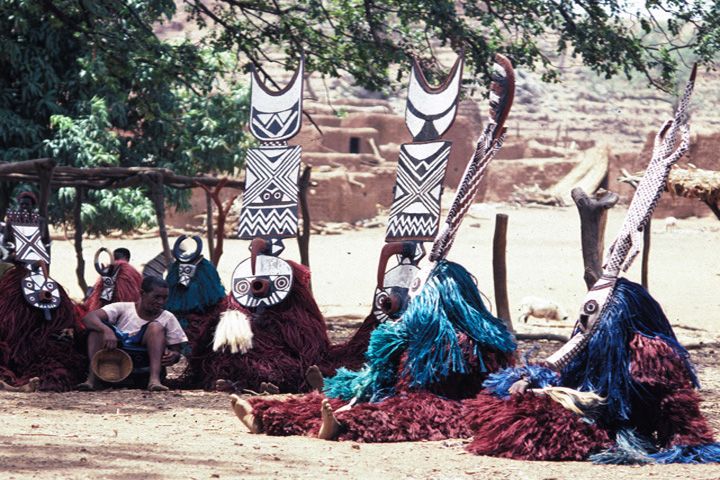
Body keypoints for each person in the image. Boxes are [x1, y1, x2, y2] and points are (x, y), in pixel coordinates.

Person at [78, 276, 187, 392]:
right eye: (156, 297)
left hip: (143, 369)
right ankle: (92, 379)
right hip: (114, 365)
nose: (160, 302)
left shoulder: (168, 317)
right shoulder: (123, 308)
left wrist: (173, 356)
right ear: (142, 293)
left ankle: (154, 381)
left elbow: (176, 351)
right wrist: (106, 330)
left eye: (164, 298)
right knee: (96, 330)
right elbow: (89, 318)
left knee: (156, 327)